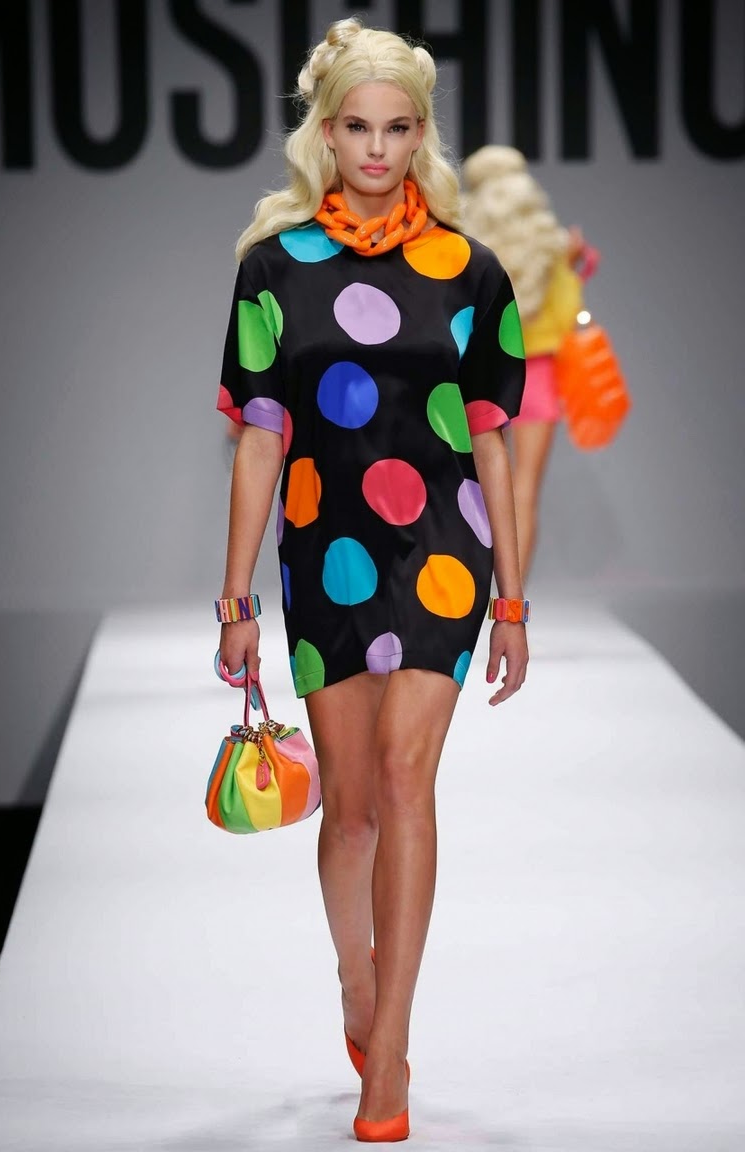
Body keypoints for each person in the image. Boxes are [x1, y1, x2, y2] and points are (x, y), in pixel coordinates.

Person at [215, 19, 529, 1143]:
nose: (379, 149)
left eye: (399, 129)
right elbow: (260, 436)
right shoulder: (273, 268)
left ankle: (388, 1047)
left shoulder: (470, 270)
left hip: (444, 547)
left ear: (423, 133)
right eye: (358, 127)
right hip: (325, 548)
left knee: (405, 784)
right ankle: (357, 977)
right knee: (347, 812)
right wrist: (237, 600)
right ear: (326, 131)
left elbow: (491, 436)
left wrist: (511, 598)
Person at [462, 145, 599, 582]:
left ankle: (468, 592)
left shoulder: (462, 245)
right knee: (523, 490)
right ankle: (509, 600)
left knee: (470, 486)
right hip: (536, 376)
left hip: (478, 374)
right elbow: (567, 316)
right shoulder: (549, 245)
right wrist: (572, 268)